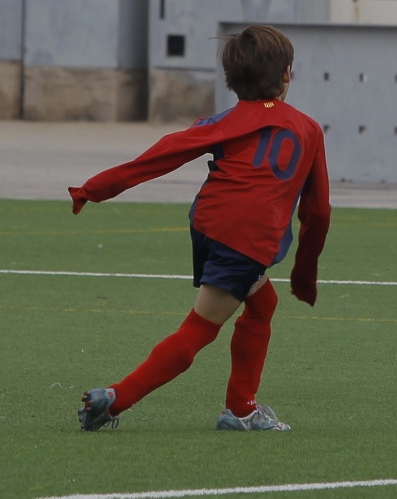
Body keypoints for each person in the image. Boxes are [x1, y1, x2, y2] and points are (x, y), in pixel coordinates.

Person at [70, 24, 331, 431]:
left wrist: (95, 188)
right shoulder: (309, 129)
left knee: (263, 304)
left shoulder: (222, 121)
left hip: (207, 224)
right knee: (198, 331)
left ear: (231, 81)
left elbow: (164, 153)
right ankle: (116, 399)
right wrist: (305, 272)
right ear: (286, 74)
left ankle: (240, 408)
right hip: (244, 238)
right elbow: (319, 212)